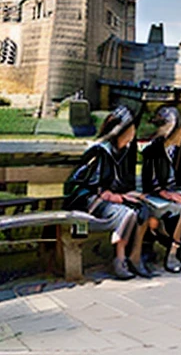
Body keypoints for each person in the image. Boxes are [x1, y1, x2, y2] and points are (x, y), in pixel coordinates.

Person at [63, 105, 153, 280]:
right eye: (129, 132)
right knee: (127, 213)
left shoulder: (126, 151)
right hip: (90, 203)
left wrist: (132, 195)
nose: (132, 136)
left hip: (110, 201)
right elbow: (94, 188)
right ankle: (119, 258)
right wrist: (119, 197)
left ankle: (133, 257)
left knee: (142, 209)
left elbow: (122, 184)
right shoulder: (100, 151)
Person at [141, 106, 181, 273]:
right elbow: (150, 183)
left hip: (171, 193)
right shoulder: (152, 150)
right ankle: (173, 252)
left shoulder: (178, 151)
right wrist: (170, 195)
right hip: (154, 196)